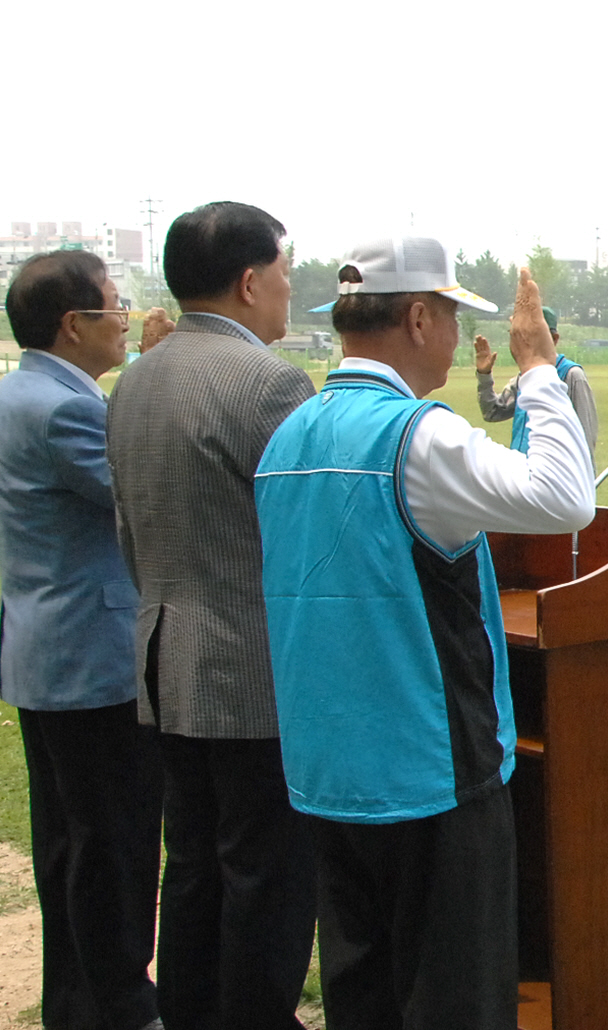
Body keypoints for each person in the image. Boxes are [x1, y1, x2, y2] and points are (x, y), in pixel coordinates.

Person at [257, 249, 594, 1026]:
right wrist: (538, 369)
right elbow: (565, 497)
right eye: (450, 317)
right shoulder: (418, 435)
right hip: (429, 776)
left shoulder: (289, 436)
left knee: (362, 993)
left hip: (327, 774)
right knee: (455, 999)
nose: (454, 339)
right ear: (417, 317)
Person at [106, 201, 319, 1030]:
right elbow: (308, 537)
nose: (289, 288)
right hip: (250, 666)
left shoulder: (138, 376)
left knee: (193, 863)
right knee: (266, 872)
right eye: (285, 272)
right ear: (250, 280)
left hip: (164, 656)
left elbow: (130, 529)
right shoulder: (269, 382)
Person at [2, 251, 163, 1030]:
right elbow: (142, 495)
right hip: (93, 659)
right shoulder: (65, 410)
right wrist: (157, 384)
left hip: (44, 652)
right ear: (74, 325)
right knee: (114, 844)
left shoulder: (20, 392)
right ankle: (121, 1005)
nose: (125, 319)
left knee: (69, 842)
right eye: (114, 305)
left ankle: (76, 1002)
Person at [474, 304, 600, 458]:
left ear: (554, 339)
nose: (523, 343)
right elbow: (492, 412)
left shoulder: (571, 376)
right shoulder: (524, 377)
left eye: (531, 336)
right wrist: (484, 375)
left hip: (553, 470)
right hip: (521, 469)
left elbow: (585, 436)